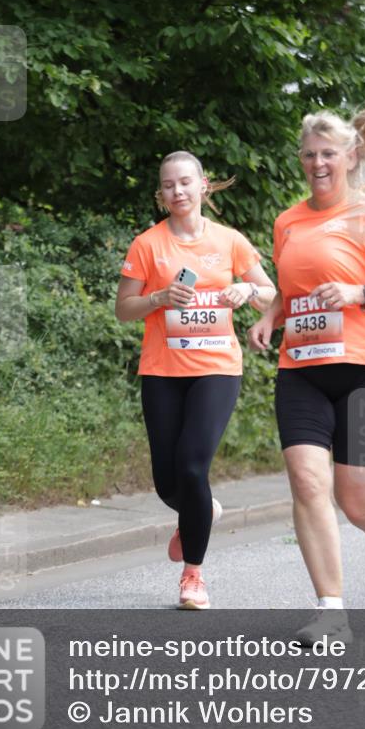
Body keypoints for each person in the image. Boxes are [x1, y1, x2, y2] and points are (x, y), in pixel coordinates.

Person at [248, 93, 365, 644]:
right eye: (308, 155)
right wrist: (272, 316)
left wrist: (359, 291)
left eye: (327, 153)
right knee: (306, 483)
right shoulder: (287, 221)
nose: (318, 164)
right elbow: (293, 285)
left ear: (350, 157)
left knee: (355, 499)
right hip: (301, 367)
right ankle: (331, 611)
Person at [115, 151, 275, 609]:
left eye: (185, 182)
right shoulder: (147, 244)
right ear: (161, 194)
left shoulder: (230, 241)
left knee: (191, 466)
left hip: (216, 369)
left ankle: (193, 576)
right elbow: (123, 309)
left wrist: (247, 289)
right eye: (168, 185)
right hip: (162, 371)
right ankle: (201, 509)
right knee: (167, 482)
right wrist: (160, 297)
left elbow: (270, 294)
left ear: (204, 185)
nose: (177, 191)